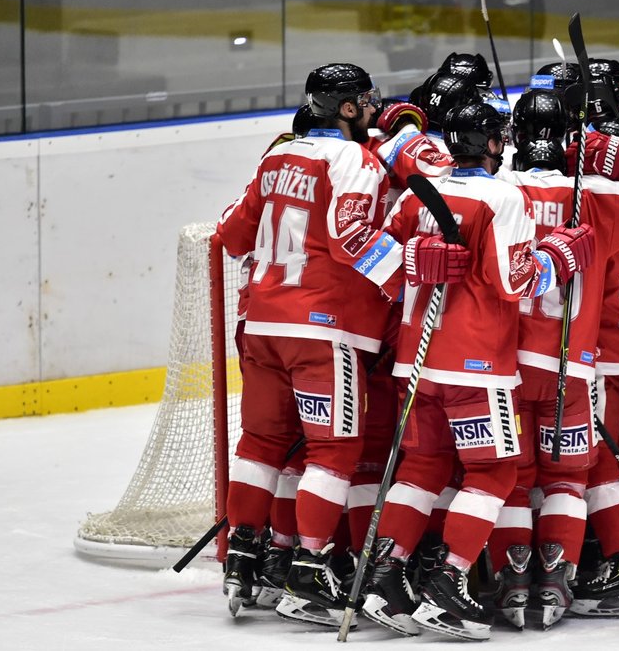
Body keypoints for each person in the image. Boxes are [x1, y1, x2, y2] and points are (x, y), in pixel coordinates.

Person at [215, 62, 470, 623]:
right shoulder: (352, 159)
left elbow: (230, 232)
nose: (375, 106)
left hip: (262, 324)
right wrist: (411, 272)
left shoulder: (278, 156)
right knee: (334, 451)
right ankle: (310, 570)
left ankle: (242, 555)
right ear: (349, 107)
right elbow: (350, 235)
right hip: (324, 330)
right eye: (368, 100)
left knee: (259, 442)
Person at [361, 102, 596, 641]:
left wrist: (414, 261)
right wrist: (560, 257)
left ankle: (386, 578)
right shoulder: (502, 196)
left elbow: (375, 252)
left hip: (417, 361)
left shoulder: (424, 188)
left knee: (421, 468)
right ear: (492, 145)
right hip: (477, 367)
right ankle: (448, 583)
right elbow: (515, 283)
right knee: (494, 474)